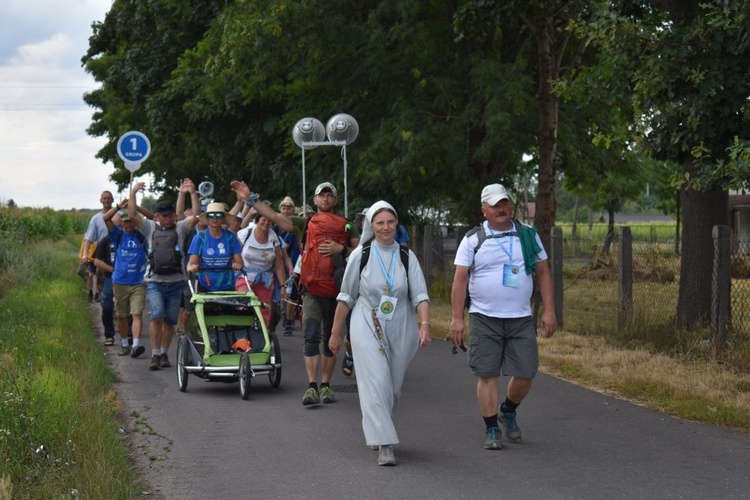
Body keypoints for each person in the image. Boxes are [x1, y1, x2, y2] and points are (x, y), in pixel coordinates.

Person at [449, 183, 557, 450]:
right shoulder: (473, 239)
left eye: (505, 204)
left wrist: (549, 311)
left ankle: (508, 410)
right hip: (484, 316)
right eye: (495, 205)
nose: (501, 209)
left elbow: (543, 272)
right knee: (487, 374)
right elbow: (460, 280)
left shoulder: (528, 236)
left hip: (521, 317)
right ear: (484, 210)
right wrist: (457, 318)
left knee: (526, 372)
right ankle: (492, 429)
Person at [329, 200, 431, 466]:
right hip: (366, 318)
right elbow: (345, 297)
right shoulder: (360, 255)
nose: (386, 227)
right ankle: (386, 444)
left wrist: (425, 325)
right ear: (371, 226)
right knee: (376, 380)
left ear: (396, 224)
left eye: (390, 222)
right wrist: (336, 334)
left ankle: (376, 427)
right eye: (379, 223)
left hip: (400, 323)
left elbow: (420, 296)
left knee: (392, 387)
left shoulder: (407, 257)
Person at [288, 182, 359, 406]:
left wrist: (343, 249)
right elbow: (277, 218)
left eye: (330, 195)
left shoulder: (347, 227)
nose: (326, 199)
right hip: (311, 289)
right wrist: (250, 200)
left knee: (331, 336)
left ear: (336, 201)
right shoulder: (306, 223)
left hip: (338, 291)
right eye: (322, 195)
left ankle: (326, 385)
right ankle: (311, 387)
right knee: (311, 335)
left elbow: (361, 251)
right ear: (315, 200)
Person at [130, 179, 200, 371]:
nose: (168, 218)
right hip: (155, 282)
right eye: (164, 215)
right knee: (157, 317)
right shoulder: (149, 227)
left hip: (176, 281)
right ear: (157, 216)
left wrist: (192, 193)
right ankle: (154, 355)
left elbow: (196, 216)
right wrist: (133, 192)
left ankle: (163, 353)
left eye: (170, 215)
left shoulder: (181, 228)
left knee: (169, 321)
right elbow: (131, 214)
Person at [103, 202, 149, 359]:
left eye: (131, 220)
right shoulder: (118, 234)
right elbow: (106, 218)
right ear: (121, 223)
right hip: (120, 281)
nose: (129, 224)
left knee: (136, 314)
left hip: (138, 281)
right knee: (121, 316)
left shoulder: (141, 235)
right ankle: (125, 344)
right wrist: (117, 207)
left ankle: (135, 344)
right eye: (126, 221)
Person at [234, 203, 289, 328]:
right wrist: (236, 264)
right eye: (263, 220)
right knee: (244, 306)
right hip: (245, 276)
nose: (266, 223)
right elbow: (234, 254)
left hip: (266, 279)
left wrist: (282, 286)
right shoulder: (245, 234)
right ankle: (243, 336)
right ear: (257, 221)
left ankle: (262, 339)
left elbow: (278, 263)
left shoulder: (274, 238)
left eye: (269, 221)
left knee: (264, 310)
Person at [186, 202, 243, 292]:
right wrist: (191, 268)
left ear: (223, 218)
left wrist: (237, 265)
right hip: (205, 284)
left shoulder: (230, 237)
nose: (215, 218)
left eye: (219, 215)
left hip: (227, 284)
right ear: (207, 218)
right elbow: (191, 263)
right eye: (211, 215)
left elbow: (240, 263)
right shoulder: (200, 237)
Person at [81, 190, 115, 302]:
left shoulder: (119, 216)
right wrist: (85, 254)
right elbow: (89, 238)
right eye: (104, 198)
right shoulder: (96, 219)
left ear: (112, 200)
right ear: (101, 201)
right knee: (102, 279)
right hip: (102, 253)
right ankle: (101, 297)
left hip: (117, 251)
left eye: (109, 198)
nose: (106, 200)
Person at [277, 196, 301, 336]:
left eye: (289, 208)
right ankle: (288, 320)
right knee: (290, 295)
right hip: (289, 266)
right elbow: (283, 248)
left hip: (301, 266)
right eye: (283, 208)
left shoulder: (296, 228)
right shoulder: (277, 226)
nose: (286, 211)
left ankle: (290, 319)